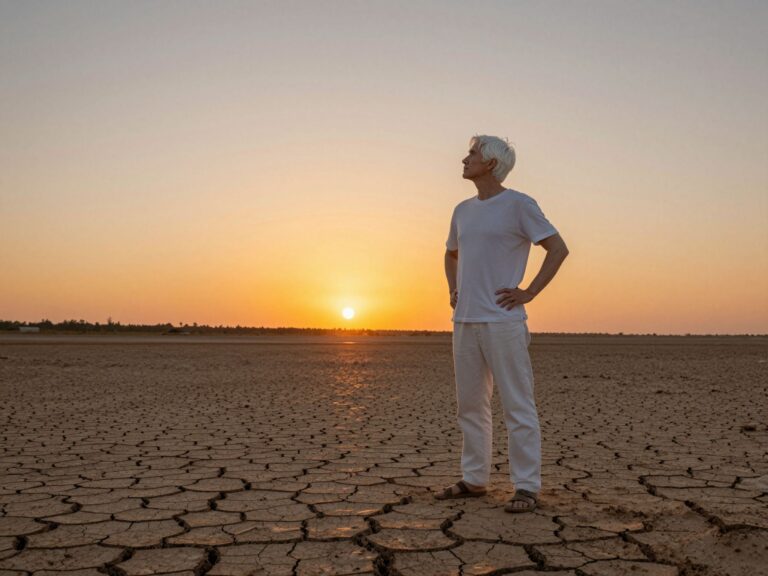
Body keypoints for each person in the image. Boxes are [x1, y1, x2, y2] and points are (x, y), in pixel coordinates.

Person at [435, 135, 569, 513]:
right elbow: (450, 253)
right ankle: (474, 479)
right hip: (465, 320)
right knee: (470, 405)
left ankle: (526, 487)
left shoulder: (519, 205)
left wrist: (530, 292)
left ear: (492, 164)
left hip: (503, 320)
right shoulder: (462, 210)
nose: (464, 159)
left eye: (472, 154)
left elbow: (558, 249)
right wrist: (453, 288)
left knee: (517, 405)